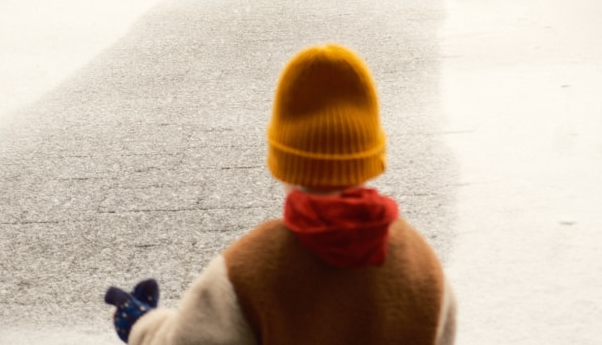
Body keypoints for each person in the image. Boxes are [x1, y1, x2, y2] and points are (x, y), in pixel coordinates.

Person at [105, 44, 456, 345]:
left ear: (284, 163)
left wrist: (140, 323)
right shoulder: (425, 272)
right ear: (371, 156)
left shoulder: (247, 271)